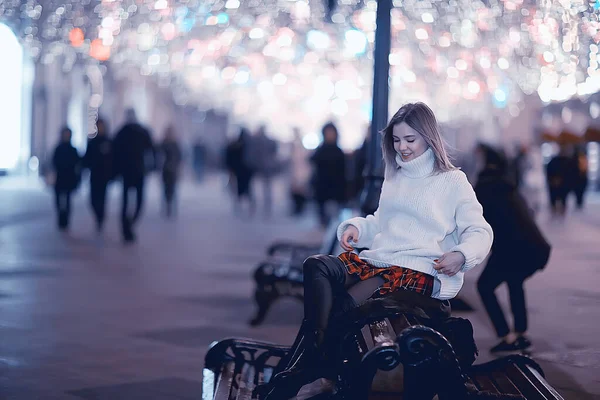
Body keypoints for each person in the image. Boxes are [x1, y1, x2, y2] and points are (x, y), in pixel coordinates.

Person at [262, 103, 493, 399]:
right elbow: (381, 221)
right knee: (317, 265)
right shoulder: (395, 175)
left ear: (428, 137)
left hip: (418, 271)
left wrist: (461, 255)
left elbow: (480, 230)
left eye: (410, 140)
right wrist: (357, 228)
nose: (403, 147)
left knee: (345, 303)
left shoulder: (451, 181)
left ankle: (303, 368)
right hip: (381, 262)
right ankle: (314, 361)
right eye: (397, 140)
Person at [474, 144, 551, 353]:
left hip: (513, 249)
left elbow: (476, 219)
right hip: (535, 248)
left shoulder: (485, 186)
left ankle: (506, 336)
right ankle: (521, 333)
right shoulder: (506, 184)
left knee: (484, 286)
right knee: (514, 281)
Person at [112, 108, 155, 243]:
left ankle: (127, 225)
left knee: (131, 201)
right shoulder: (129, 131)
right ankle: (127, 226)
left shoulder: (130, 131)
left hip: (132, 171)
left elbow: (151, 149)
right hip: (134, 171)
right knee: (135, 201)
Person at [311, 122, 346, 227]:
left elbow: (343, 171)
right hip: (322, 187)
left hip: (336, 188)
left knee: (335, 218)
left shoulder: (338, 151)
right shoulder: (320, 150)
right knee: (323, 218)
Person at [83, 118, 113, 232]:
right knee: (92, 199)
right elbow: (87, 158)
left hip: (104, 175)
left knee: (102, 198)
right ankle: (98, 215)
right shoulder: (92, 142)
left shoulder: (109, 142)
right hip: (94, 174)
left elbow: (113, 159)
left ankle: (101, 217)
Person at [52, 127, 81, 231]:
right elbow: (54, 162)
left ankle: (66, 219)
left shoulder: (73, 150)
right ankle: (61, 217)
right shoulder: (58, 148)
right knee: (58, 200)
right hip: (60, 178)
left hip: (69, 178)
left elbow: (78, 164)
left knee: (68, 200)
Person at [159, 126, 183, 218]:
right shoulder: (163, 143)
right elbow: (159, 156)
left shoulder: (175, 144)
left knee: (173, 189)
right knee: (165, 189)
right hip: (165, 170)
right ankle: (167, 207)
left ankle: (172, 208)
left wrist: (178, 167)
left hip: (173, 170)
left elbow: (179, 157)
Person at [289, 128, 312, 216]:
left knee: (301, 191)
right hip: (295, 171)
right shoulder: (292, 148)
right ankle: (296, 208)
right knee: (295, 191)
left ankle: (300, 208)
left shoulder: (303, 149)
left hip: (302, 171)